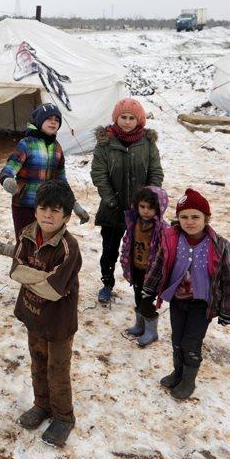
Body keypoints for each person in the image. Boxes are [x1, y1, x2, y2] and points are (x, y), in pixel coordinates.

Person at [142, 188, 230, 400]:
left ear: (207, 218)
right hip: (178, 300)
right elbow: (159, 265)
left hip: (202, 304)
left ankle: (189, 380)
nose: (190, 221)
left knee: (191, 343)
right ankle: (178, 372)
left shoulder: (220, 245)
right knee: (177, 339)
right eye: (184, 217)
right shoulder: (171, 239)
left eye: (195, 216)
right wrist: (149, 288)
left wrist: (228, 310)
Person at [9, 180, 82, 447]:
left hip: (59, 322)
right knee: (38, 362)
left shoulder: (69, 248)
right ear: (35, 210)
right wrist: (39, 278)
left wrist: (35, 278)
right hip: (33, 315)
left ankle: (63, 416)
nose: (47, 215)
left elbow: (53, 288)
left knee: (57, 369)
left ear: (66, 216)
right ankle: (42, 405)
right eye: (43, 208)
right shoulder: (27, 234)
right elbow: (16, 270)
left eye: (55, 210)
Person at [0, 103, 89, 259]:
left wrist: (74, 205)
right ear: (39, 121)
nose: (53, 122)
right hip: (25, 204)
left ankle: (1, 249)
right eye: (49, 118)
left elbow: (61, 181)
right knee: (26, 246)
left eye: (57, 119)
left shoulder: (58, 148)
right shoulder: (27, 144)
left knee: (42, 247)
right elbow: (10, 166)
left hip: (47, 207)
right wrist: (7, 179)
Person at [91, 97, 163, 305]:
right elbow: (99, 174)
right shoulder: (105, 143)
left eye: (132, 118)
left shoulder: (147, 143)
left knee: (140, 250)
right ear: (116, 117)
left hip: (141, 211)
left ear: (139, 120)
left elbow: (155, 172)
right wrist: (111, 200)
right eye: (123, 117)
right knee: (110, 249)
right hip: (112, 209)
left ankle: (142, 289)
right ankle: (107, 283)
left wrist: (148, 200)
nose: (127, 121)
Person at [119, 186, 170, 347]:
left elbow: (166, 252)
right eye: (142, 207)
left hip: (153, 273)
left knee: (147, 302)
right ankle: (140, 325)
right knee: (137, 297)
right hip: (137, 268)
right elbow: (127, 243)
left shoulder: (162, 229)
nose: (146, 211)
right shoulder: (134, 223)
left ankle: (151, 331)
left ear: (159, 208)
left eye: (150, 208)